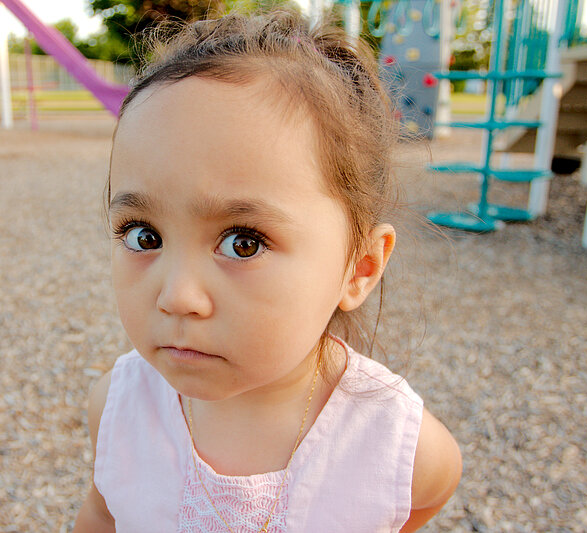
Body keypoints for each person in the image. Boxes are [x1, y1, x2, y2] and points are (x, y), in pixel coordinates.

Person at [74, 9, 461, 533]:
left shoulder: (400, 449)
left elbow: (417, 504)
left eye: (243, 242)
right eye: (145, 236)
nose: (178, 296)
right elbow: (103, 512)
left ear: (359, 267)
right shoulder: (118, 411)